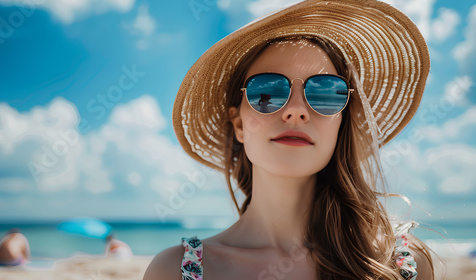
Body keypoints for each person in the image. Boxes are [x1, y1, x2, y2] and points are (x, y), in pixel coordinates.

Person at [144, 0, 435, 279]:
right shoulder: (177, 271)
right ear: (239, 125)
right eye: (266, 93)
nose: (296, 111)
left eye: (325, 92)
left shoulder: (398, 263)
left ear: (341, 124)